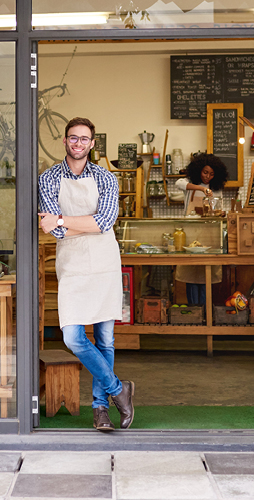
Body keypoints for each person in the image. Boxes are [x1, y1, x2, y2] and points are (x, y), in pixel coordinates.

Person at [38, 117, 134, 432]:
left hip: (105, 261)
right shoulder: (48, 178)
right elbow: (57, 233)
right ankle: (119, 389)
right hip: (73, 265)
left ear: (92, 144)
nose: (78, 143)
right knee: (73, 337)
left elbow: (104, 222)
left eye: (84, 139)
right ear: (65, 141)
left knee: (105, 339)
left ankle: (100, 409)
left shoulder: (107, 178)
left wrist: (62, 218)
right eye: (73, 138)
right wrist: (73, 223)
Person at [174, 153, 228, 305]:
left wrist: (220, 212)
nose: (208, 177)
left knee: (207, 272)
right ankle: (194, 310)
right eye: (205, 172)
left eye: (211, 174)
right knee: (190, 272)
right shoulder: (189, 183)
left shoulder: (216, 189)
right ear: (199, 170)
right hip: (190, 234)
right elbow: (178, 184)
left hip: (209, 234)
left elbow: (218, 209)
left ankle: (205, 311)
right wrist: (200, 188)